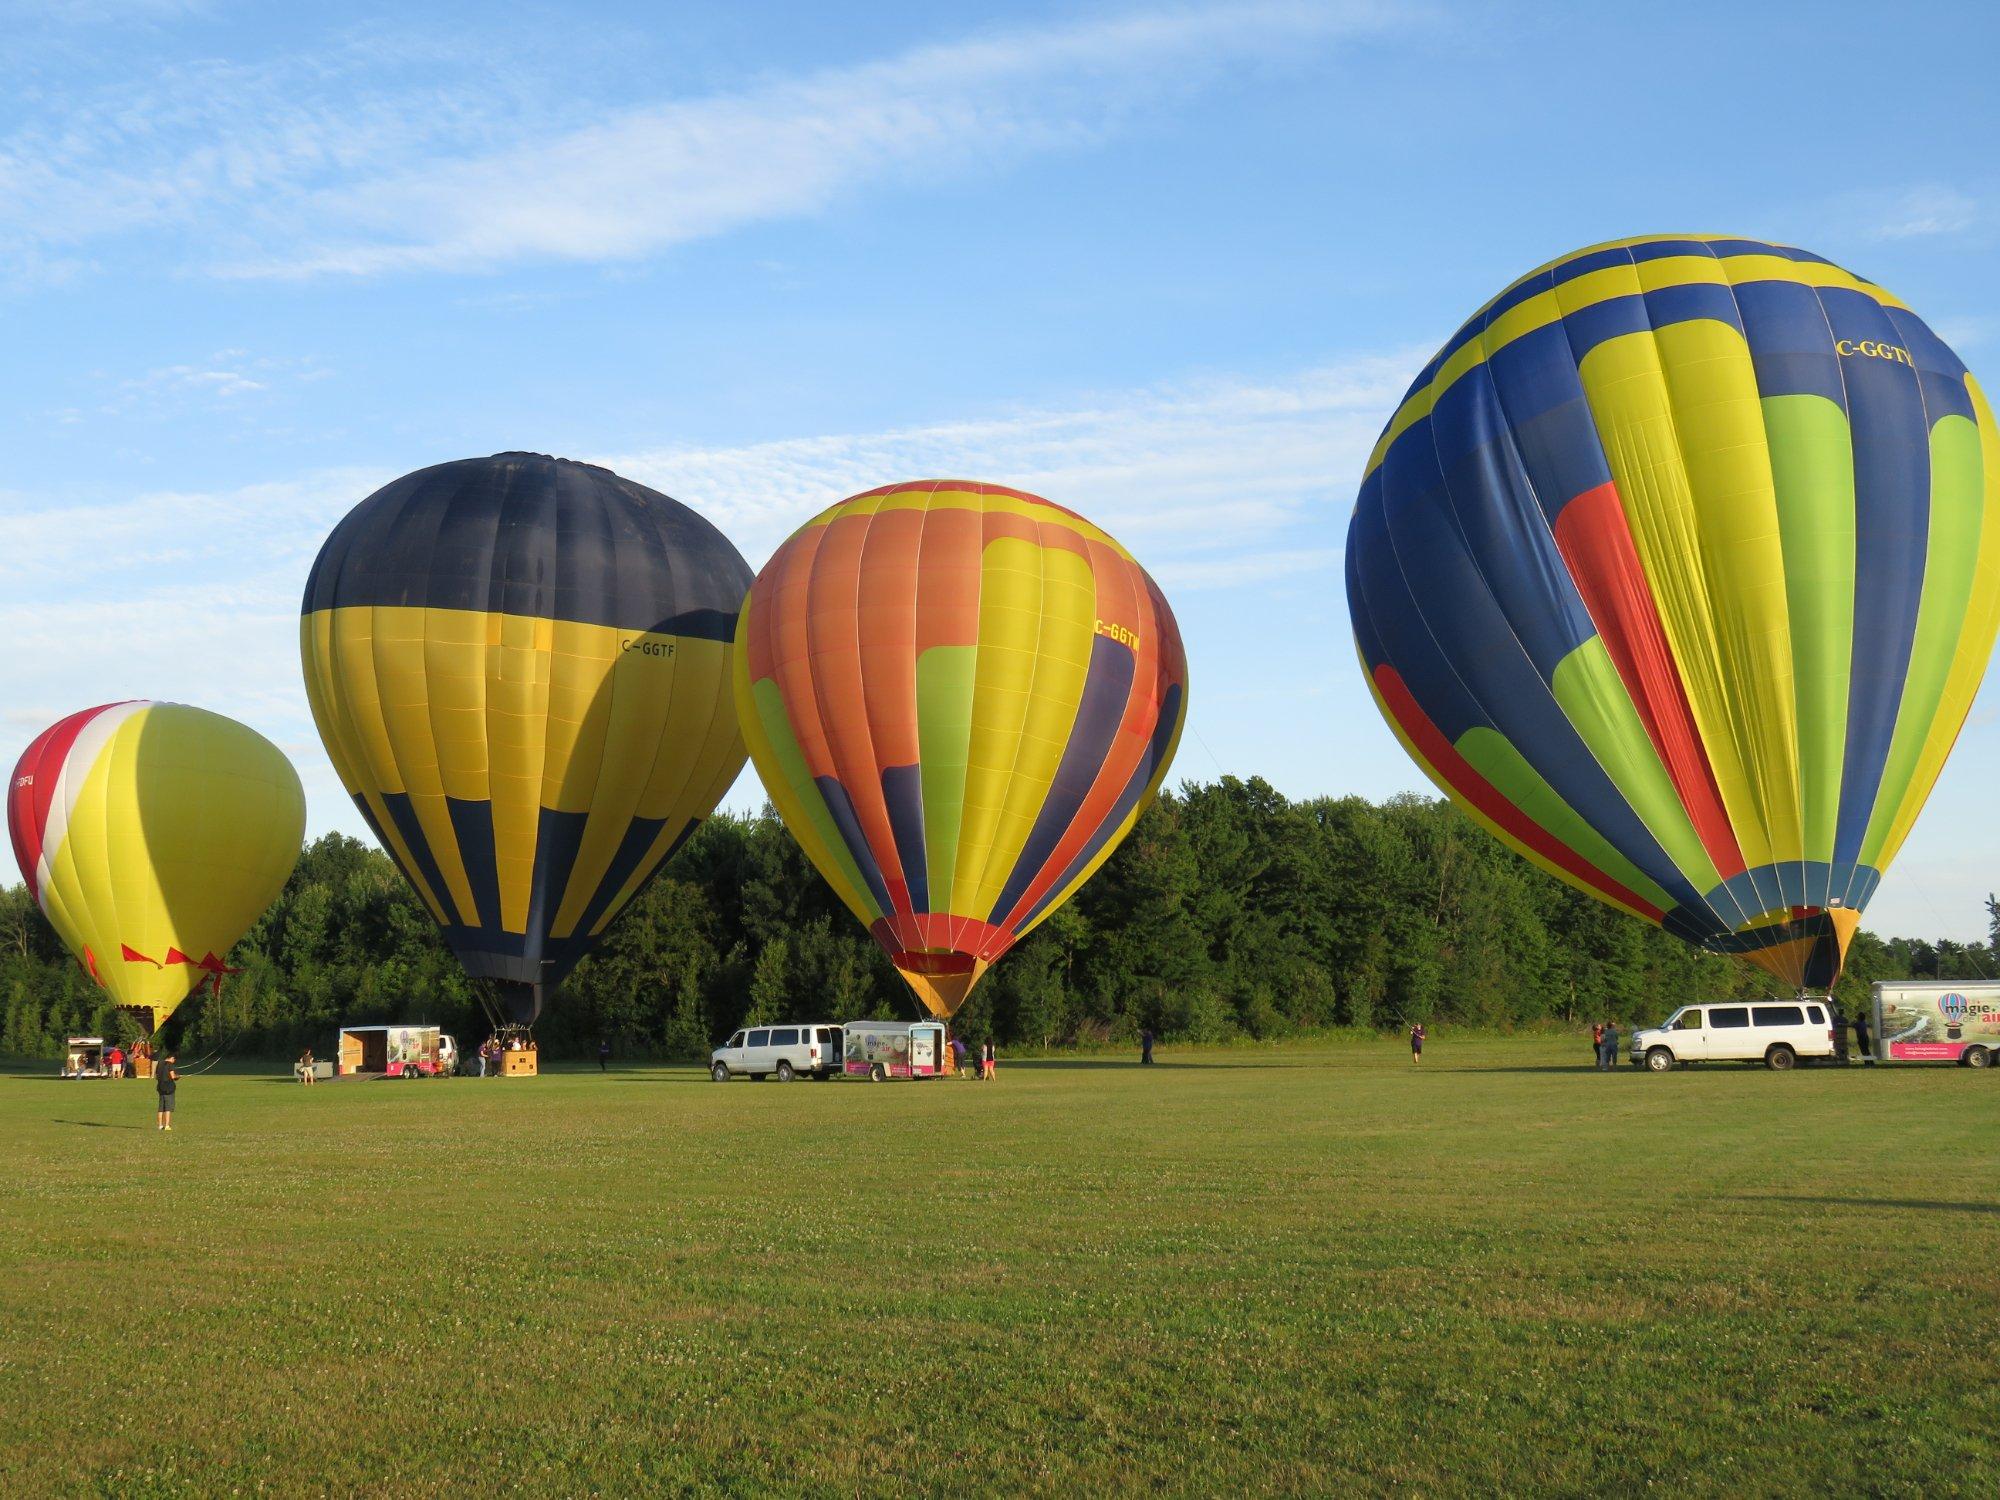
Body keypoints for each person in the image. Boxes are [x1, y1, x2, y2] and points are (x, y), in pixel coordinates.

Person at [155, 1054, 179, 1131]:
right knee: (168, 1107)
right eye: (174, 1059)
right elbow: (172, 1076)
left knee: (161, 1107)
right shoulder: (170, 1064)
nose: (174, 1061)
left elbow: (156, 1076)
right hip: (169, 1087)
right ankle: (167, 1125)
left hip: (160, 1087)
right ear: (171, 1058)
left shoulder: (159, 1064)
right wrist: (178, 1076)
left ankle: (160, 1125)